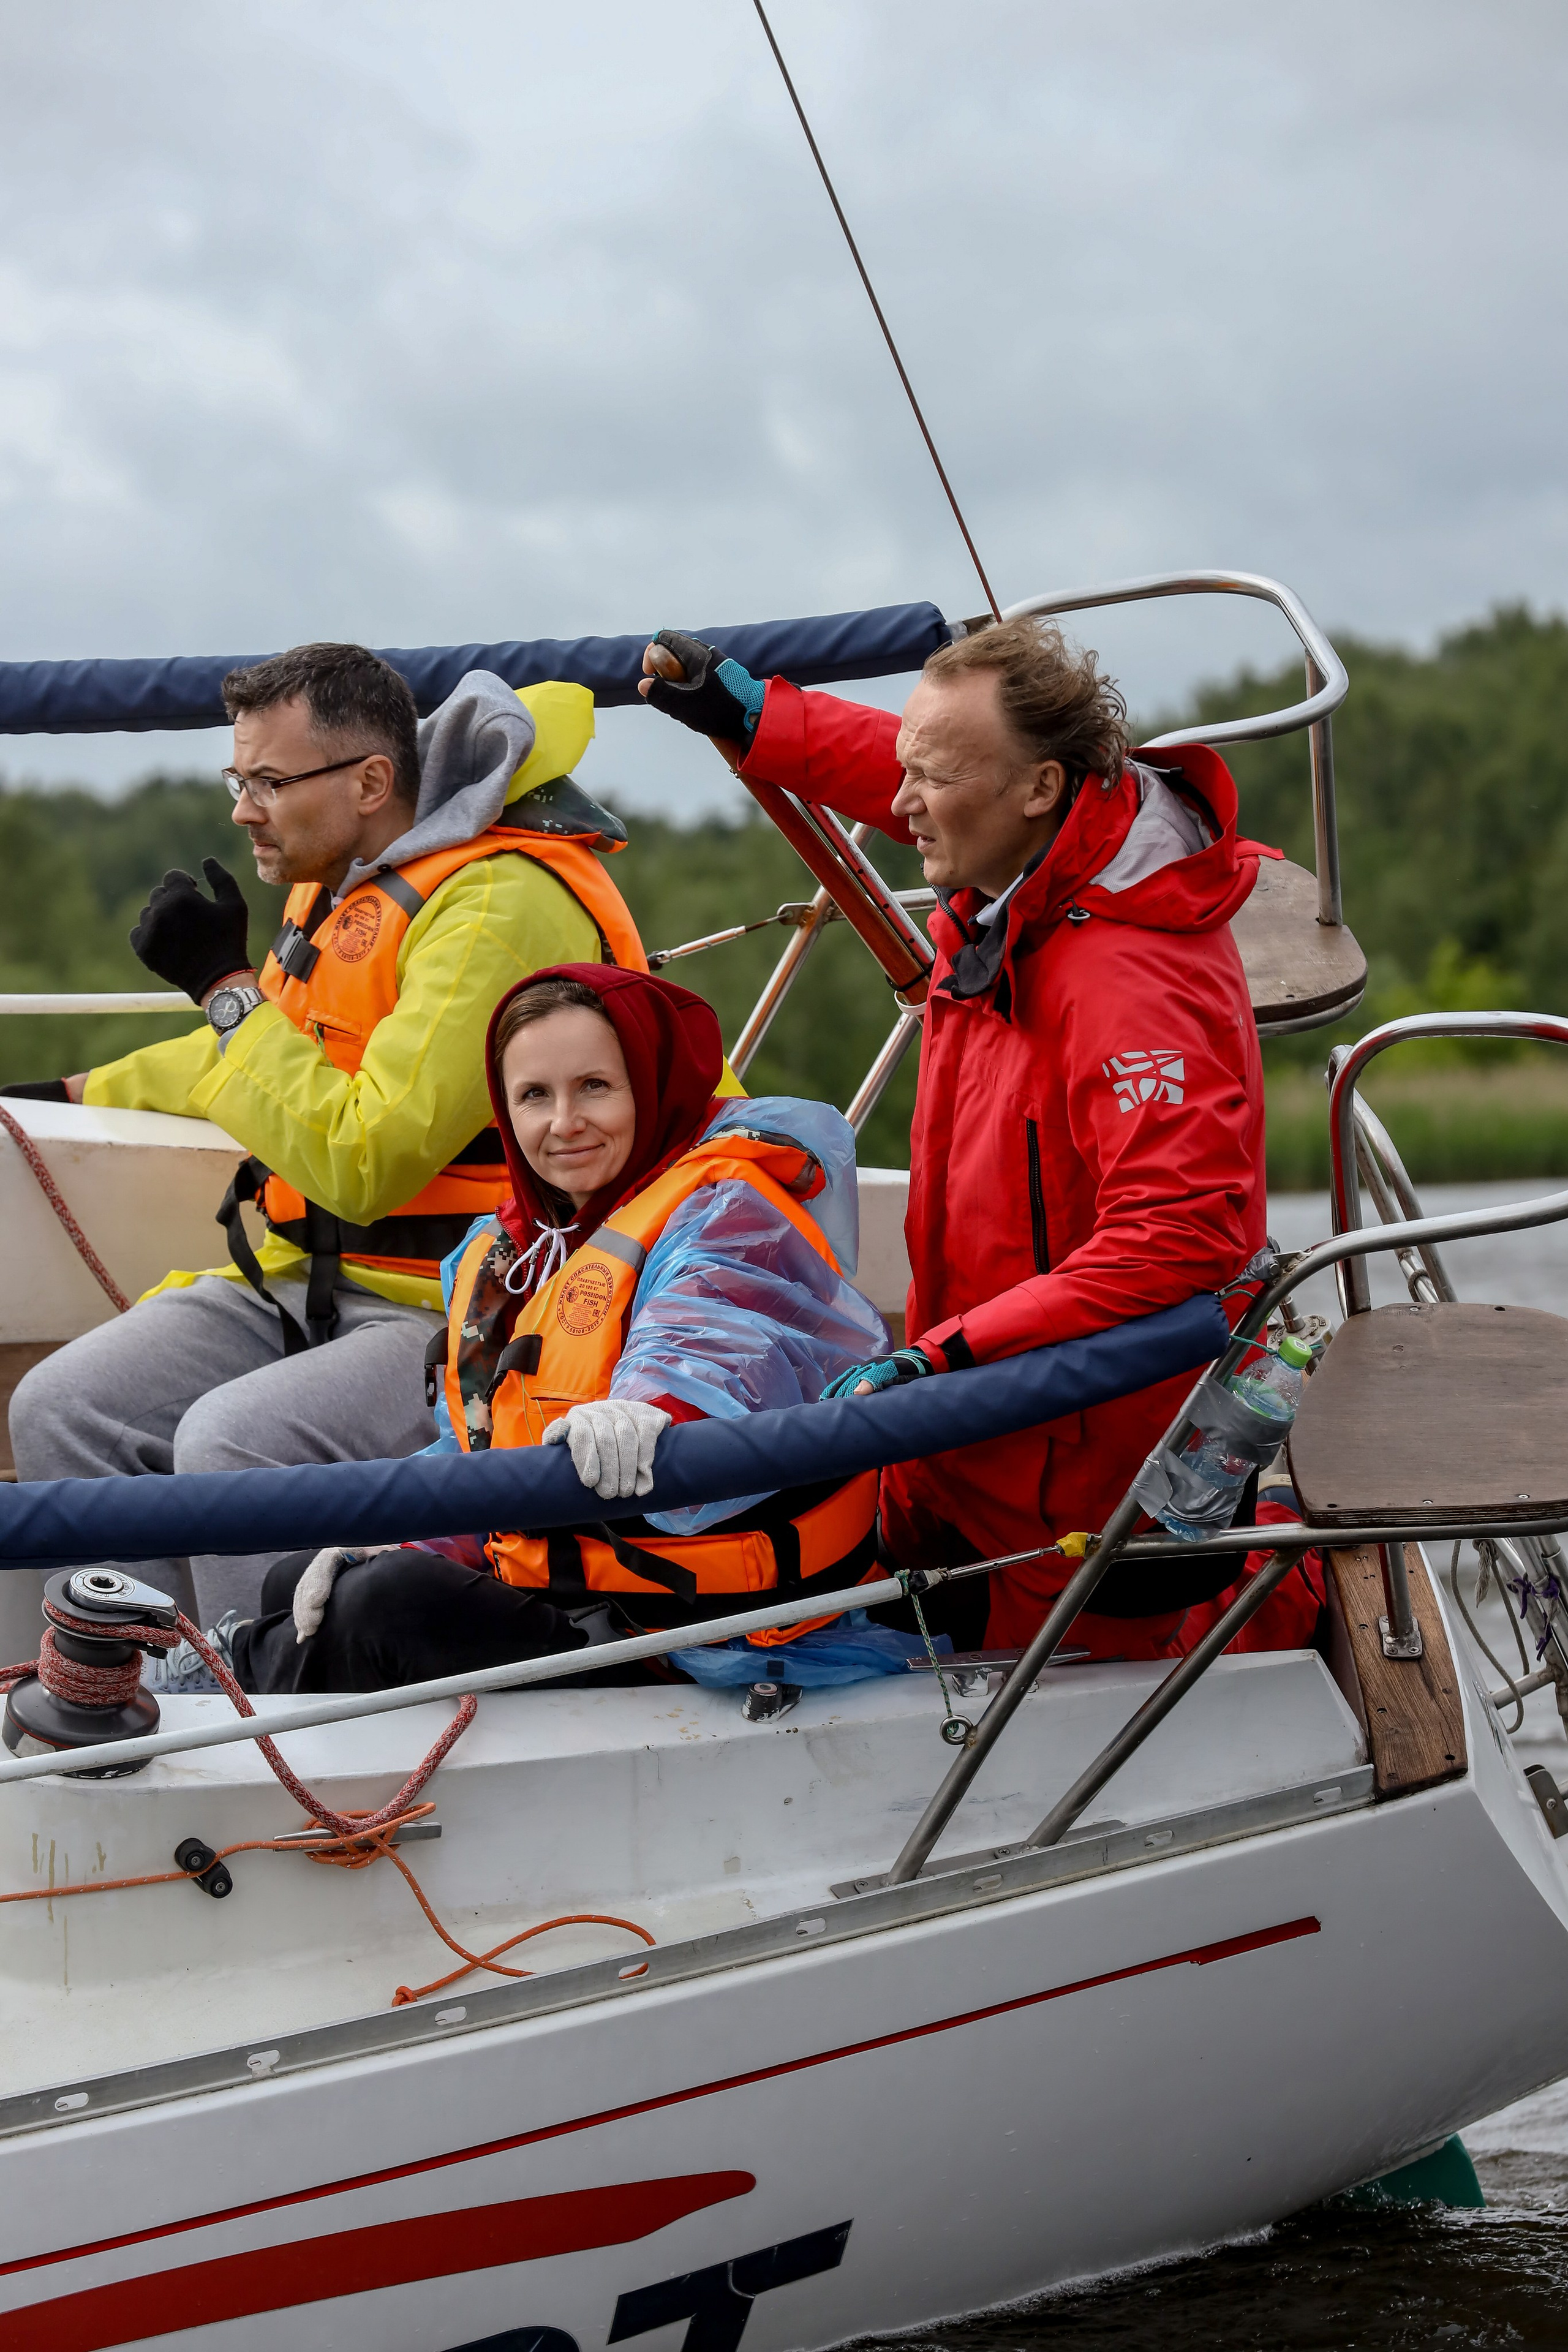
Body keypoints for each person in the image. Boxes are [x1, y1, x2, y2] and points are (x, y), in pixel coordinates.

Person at [639, 617, 1324, 1660]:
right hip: (975, 1439)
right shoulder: (1028, 842)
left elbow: (1179, 1242)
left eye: (933, 778)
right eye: (909, 769)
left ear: (1041, 788)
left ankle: (1293, 1597)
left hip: (1079, 1495)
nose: (902, 804)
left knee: (1085, 1644)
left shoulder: (1128, 977)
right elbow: (918, 773)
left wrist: (943, 1356)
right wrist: (758, 719)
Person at [4, 644, 646, 1626]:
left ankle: (274, 1735)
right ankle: (126, 1700)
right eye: (238, 778)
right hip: (303, 1281)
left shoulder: (497, 905)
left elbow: (365, 1162)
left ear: (372, 782)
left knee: (231, 1445)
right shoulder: (343, 876)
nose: (241, 810)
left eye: (266, 781)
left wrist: (224, 990)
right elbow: (266, 1054)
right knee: (62, 1407)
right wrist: (58, 1090)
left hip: (466, 1306)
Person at [232, 963, 895, 1694]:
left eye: (595, 1087)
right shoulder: (511, 1253)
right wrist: (402, 1534)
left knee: (380, 1606)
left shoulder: (733, 1211)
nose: (563, 1123)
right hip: (578, 1596)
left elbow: (711, 1349)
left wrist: (647, 1410)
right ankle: (249, 1699)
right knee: (307, 1579)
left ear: (649, 1081)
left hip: (700, 1635)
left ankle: (225, 1698)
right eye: (534, 1096)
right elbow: (482, 1453)